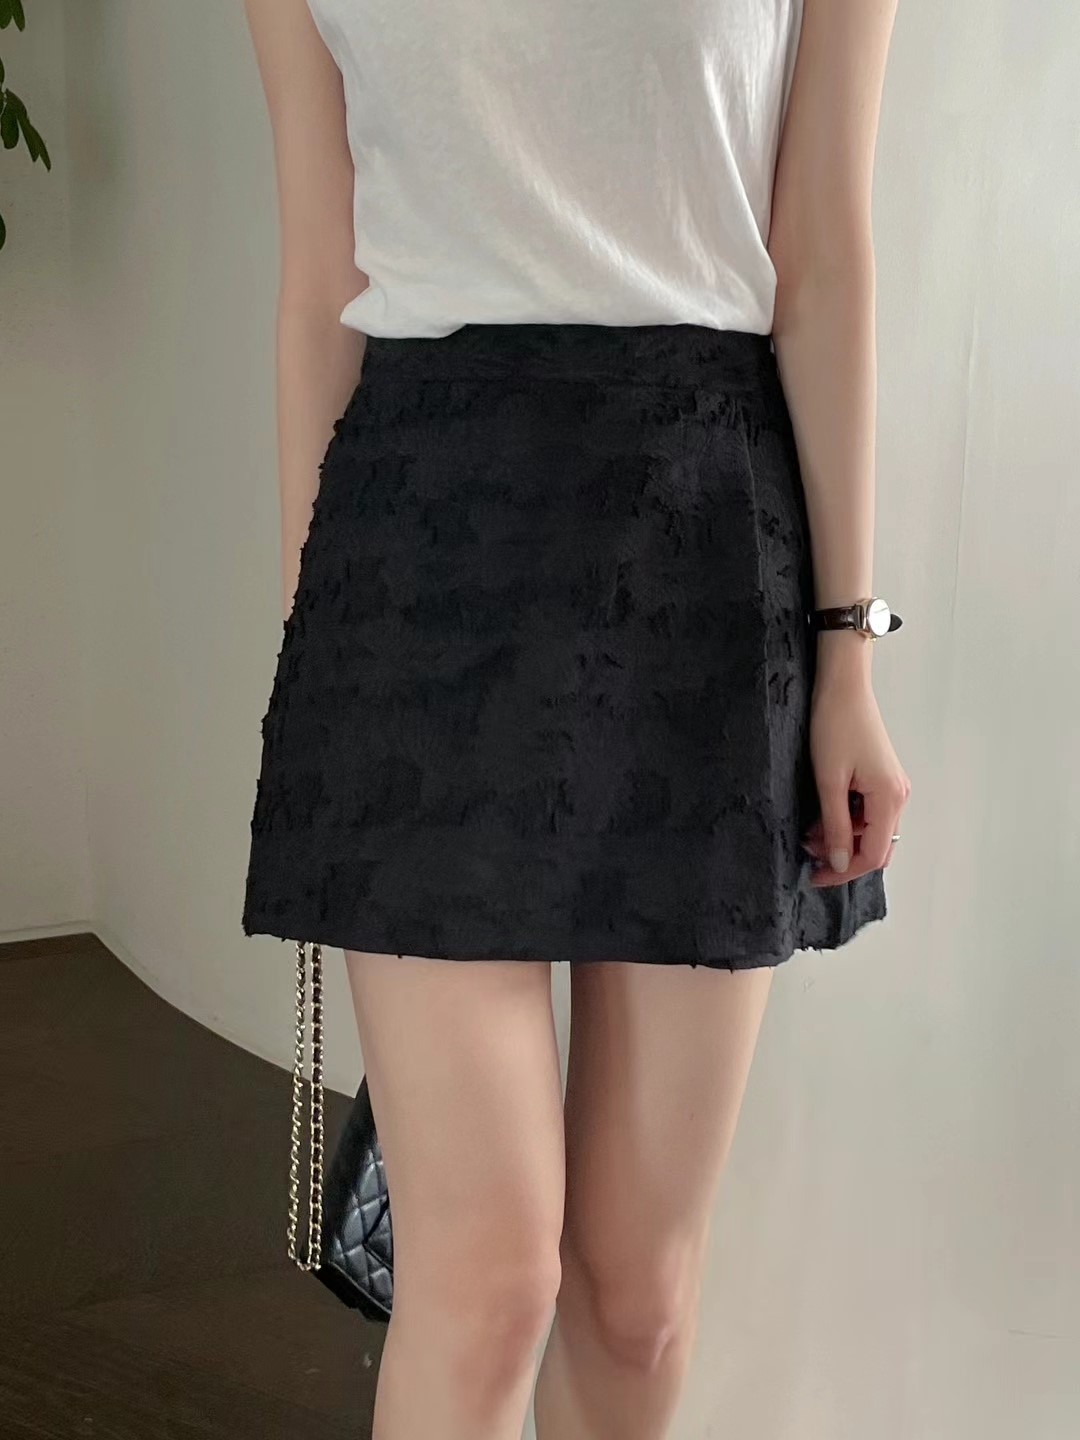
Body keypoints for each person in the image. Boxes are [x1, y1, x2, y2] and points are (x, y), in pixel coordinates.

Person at [240, 1, 910, 1436]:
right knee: (483, 1281)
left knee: (638, 1293)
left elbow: (824, 254)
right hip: (415, 565)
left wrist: (848, 648)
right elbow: (318, 282)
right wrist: (319, 644)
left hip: (705, 550)